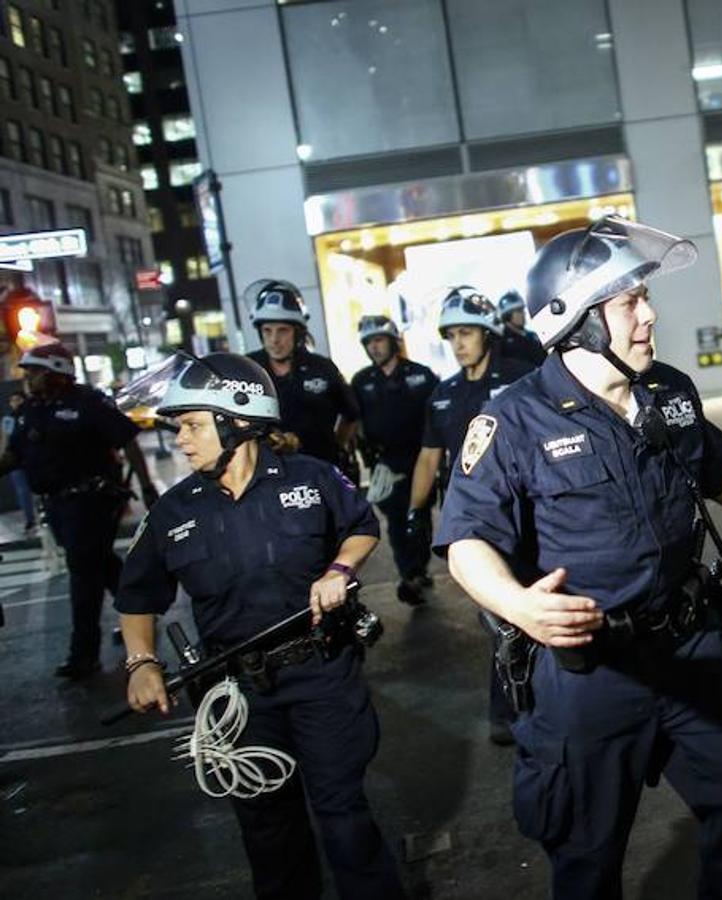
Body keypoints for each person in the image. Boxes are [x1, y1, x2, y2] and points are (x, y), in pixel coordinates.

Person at [436, 216, 722, 899]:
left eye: (644, 298)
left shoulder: (669, 393)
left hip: (689, 650)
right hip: (590, 672)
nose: (649, 315)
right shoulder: (511, 420)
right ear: (577, 320)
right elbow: (467, 540)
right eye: (629, 302)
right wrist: (519, 606)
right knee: (586, 851)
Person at [116, 352, 406, 900]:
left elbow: (362, 526)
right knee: (267, 827)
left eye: (194, 425)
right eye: (180, 427)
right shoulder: (172, 512)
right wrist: (141, 662)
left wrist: (339, 569)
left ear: (238, 421)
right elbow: (137, 597)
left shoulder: (311, 477)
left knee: (343, 812)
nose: (181, 440)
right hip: (239, 691)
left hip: (322, 673)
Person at [409, 286, 535, 744]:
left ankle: (549, 702)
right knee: (500, 612)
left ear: (488, 334)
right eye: (452, 335)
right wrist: (415, 511)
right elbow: (428, 458)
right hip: (476, 521)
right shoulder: (443, 396)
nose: (459, 343)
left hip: (530, 512)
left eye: (467, 333)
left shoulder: (524, 377)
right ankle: (509, 710)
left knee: (534, 602)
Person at [0, 342, 158, 678]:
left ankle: (83, 654)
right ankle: (140, 611)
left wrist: (147, 487)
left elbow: (127, 439)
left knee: (83, 572)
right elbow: (14, 454)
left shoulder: (87, 402)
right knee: (100, 563)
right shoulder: (29, 409)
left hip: (92, 501)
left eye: (35, 371)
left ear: (57, 371)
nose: (28, 377)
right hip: (57, 505)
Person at [351, 314, 438, 606]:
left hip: (420, 460)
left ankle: (420, 567)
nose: (373, 347)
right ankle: (408, 576)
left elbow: (436, 418)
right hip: (384, 464)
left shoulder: (421, 375)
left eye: (378, 340)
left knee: (419, 518)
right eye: (368, 343)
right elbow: (355, 422)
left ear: (393, 342)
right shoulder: (361, 381)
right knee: (396, 522)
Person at [244, 278, 361, 473]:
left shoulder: (323, 367)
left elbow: (351, 414)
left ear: (297, 333)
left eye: (283, 331)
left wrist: (333, 446)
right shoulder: (248, 370)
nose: (274, 340)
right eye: (267, 331)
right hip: (268, 476)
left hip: (321, 470)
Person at [2, 390, 37, 530]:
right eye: (13, 401)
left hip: (32, 457)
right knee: (22, 490)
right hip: (16, 460)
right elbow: (5, 439)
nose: (16, 403)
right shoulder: (8, 420)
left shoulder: (31, 415)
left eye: (18, 400)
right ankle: (30, 519)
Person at [497, 289, 546, 367]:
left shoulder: (532, 336)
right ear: (507, 315)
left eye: (523, 310)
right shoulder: (501, 342)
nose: (523, 314)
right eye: (519, 311)